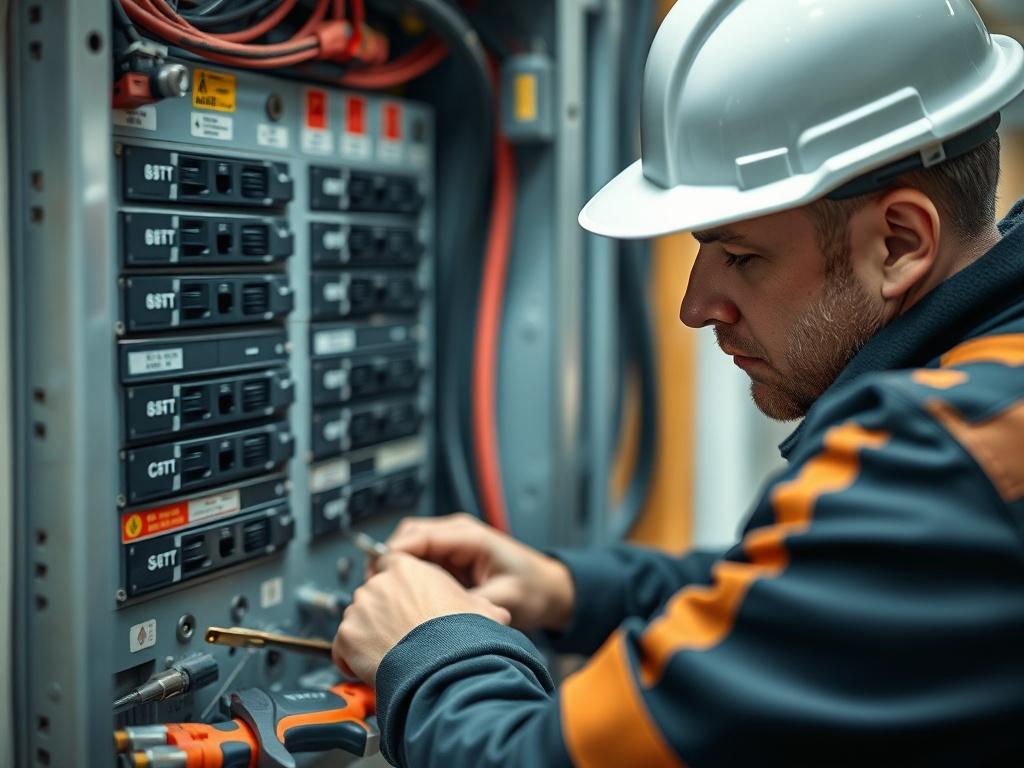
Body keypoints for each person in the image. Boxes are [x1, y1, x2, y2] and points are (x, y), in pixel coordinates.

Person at [333, 1, 1024, 765]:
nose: (696, 307)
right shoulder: (982, 406)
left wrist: (432, 648)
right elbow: (819, 598)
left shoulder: (938, 462)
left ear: (899, 242)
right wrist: (569, 588)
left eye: (741, 255)